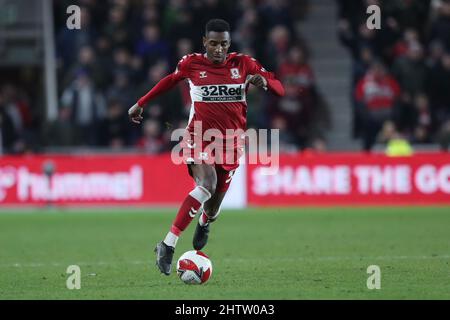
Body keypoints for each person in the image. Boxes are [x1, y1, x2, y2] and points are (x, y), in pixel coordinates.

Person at [128, 19, 285, 275]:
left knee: (212, 207)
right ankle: (168, 244)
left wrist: (265, 83)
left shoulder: (244, 64)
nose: (218, 49)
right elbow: (169, 80)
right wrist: (141, 102)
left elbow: (280, 87)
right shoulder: (191, 63)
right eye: (213, 44)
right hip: (198, 137)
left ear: (229, 43)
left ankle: (205, 220)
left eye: (223, 44)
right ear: (205, 43)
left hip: (232, 145)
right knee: (206, 184)